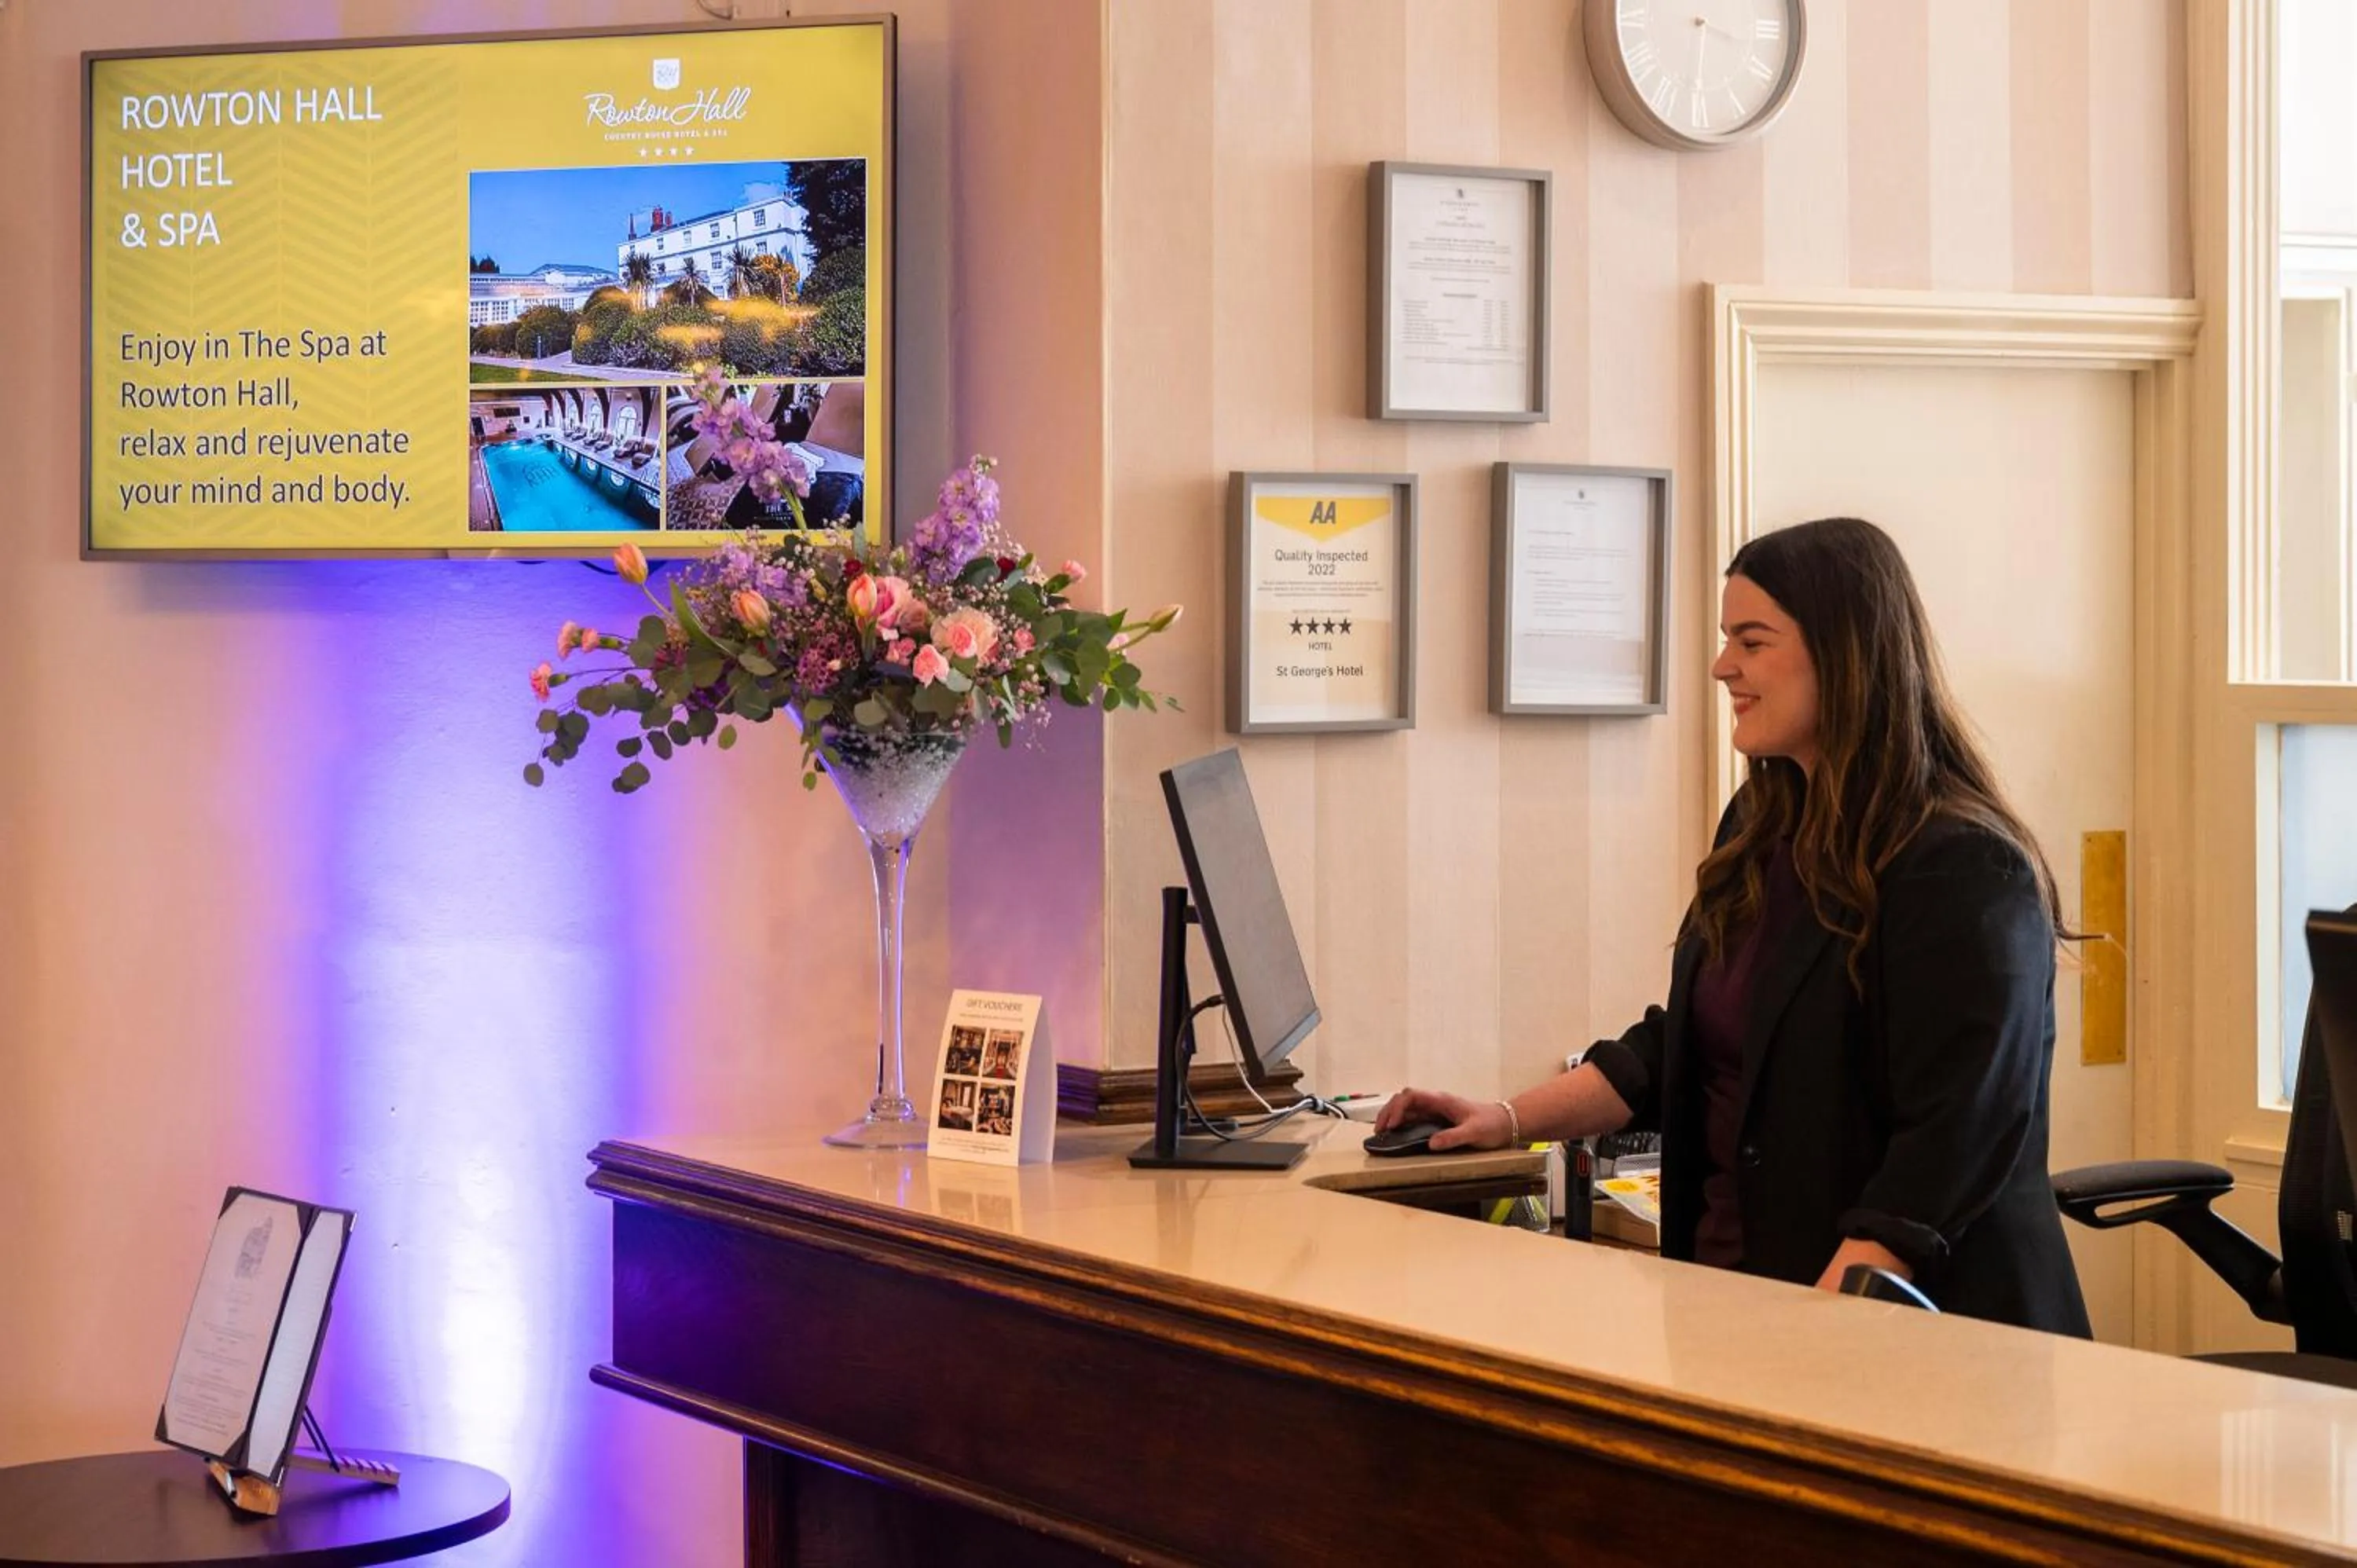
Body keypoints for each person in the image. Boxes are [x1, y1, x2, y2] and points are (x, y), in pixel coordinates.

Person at [1377, 517, 2090, 1335]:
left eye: (1752, 641)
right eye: (1727, 640)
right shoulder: (1762, 819)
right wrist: (1505, 1121)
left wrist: (1821, 1330)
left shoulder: (1962, 866)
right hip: (1749, 1299)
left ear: (1844, 654)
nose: (1723, 667)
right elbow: (1685, 1043)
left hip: (1913, 1337)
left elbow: (1951, 1140)